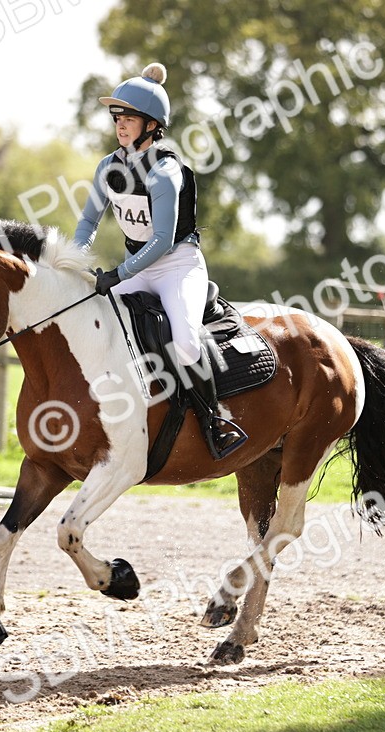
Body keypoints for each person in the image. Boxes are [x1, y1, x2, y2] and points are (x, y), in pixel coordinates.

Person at [74, 62, 247, 460]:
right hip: (136, 265)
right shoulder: (108, 167)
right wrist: (72, 260)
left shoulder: (165, 171)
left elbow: (163, 241)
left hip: (176, 266)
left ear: (152, 124)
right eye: (117, 116)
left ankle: (216, 421)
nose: (120, 124)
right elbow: (88, 222)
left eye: (129, 117)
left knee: (185, 342)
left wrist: (117, 275)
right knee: (99, 332)